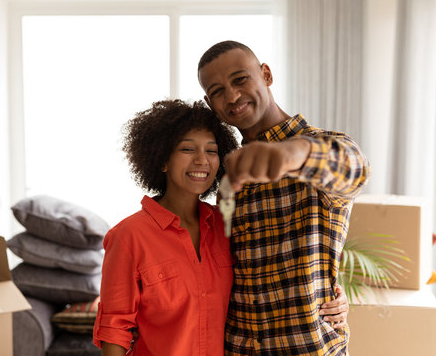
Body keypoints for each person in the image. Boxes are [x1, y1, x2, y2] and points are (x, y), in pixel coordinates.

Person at [92, 99, 350, 356]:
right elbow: (115, 329)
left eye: (212, 151)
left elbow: (266, 280)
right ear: (163, 160)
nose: (201, 160)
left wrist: (333, 299)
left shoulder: (228, 225)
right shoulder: (127, 237)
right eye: (187, 149)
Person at [197, 40, 370, 355]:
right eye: (218, 91)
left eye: (240, 80)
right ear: (211, 104)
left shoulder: (320, 147)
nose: (232, 96)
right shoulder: (226, 172)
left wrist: (295, 152)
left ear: (266, 74)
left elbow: (353, 168)